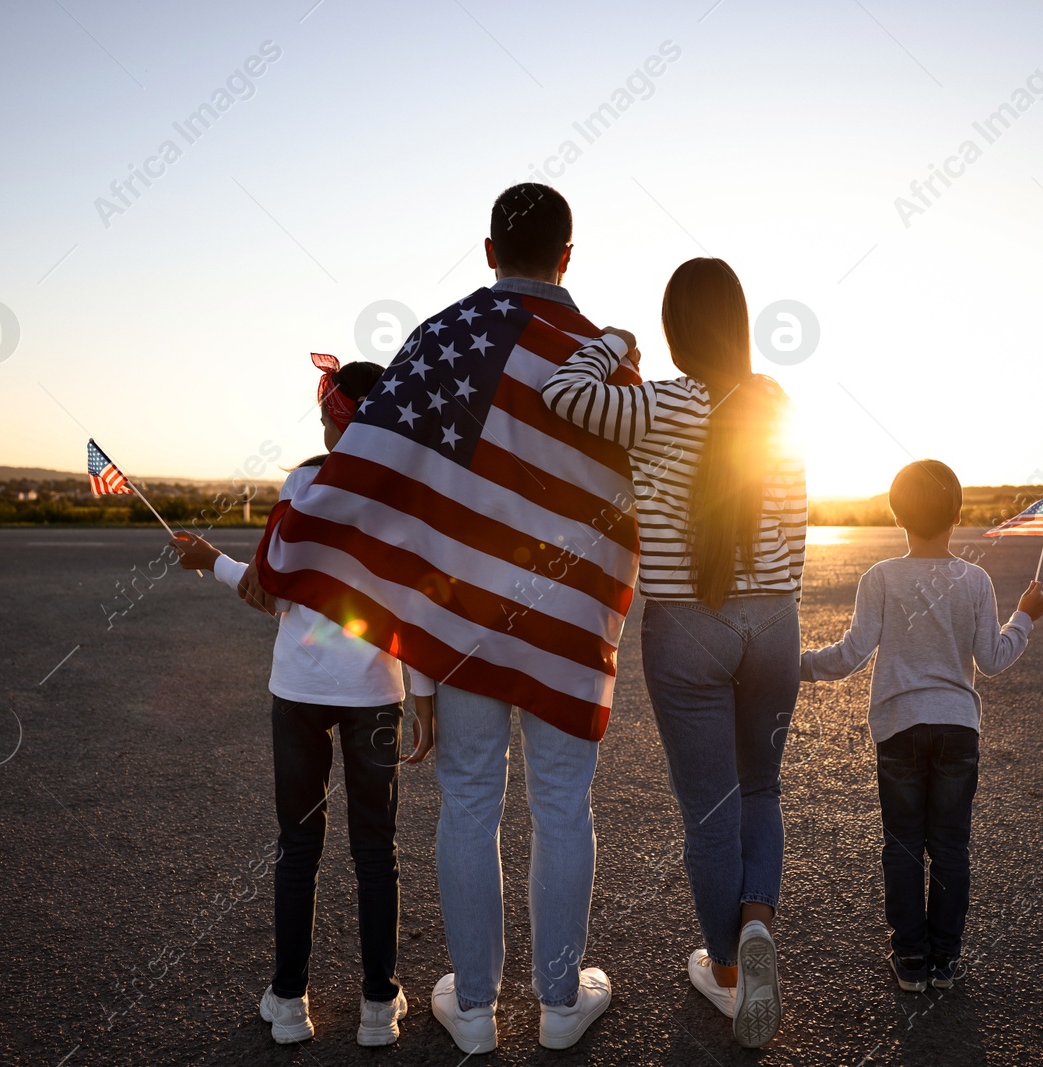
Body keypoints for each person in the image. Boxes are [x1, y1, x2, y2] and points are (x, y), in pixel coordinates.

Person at [238, 184, 637, 1054]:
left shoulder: (442, 339)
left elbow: (379, 474)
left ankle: (480, 1012)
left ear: (488, 250)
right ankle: (563, 1002)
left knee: (468, 802)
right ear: (568, 257)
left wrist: (292, 546)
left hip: (465, 627)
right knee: (563, 805)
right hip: (568, 616)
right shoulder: (605, 357)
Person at [541, 257, 806, 1048]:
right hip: (776, 622)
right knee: (761, 788)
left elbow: (563, 395)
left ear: (674, 330)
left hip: (687, 626)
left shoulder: (653, 406)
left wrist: (611, 340)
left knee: (710, 809)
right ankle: (756, 921)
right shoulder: (778, 406)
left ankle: (726, 972)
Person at [171, 353, 436, 1047]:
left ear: (333, 421)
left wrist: (211, 560)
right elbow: (416, 604)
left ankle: (289, 1000)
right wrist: (426, 692)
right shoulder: (405, 492)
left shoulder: (302, 483)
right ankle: (379, 1004)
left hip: (298, 691)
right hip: (377, 692)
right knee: (376, 850)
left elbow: (271, 588)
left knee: (298, 847)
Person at [799, 459, 1043, 993]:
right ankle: (946, 961)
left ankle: (911, 959)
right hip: (959, 729)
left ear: (896, 515)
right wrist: (1024, 616)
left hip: (899, 729)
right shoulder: (975, 580)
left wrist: (795, 665)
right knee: (952, 849)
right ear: (959, 514)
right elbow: (994, 658)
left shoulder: (881, 578)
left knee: (904, 845)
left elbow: (850, 655)